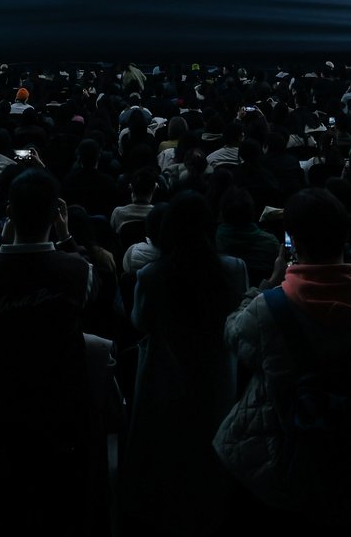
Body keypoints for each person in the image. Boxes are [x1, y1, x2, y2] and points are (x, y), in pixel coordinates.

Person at [214, 188, 351, 526]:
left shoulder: (267, 309)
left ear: (293, 244)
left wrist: (269, 282)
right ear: (346, 237)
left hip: (280, 469)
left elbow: (232, 335)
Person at [0, 169, 95, 535]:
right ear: (56, 214)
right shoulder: (76, 269)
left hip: (1, 407)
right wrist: (67, 237)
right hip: (61, 406)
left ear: (9, 212)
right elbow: (92, 290)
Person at [121, 192, 248, 535]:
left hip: (165, 376)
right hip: (217, 376)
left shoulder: (151, 274)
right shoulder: (233, 269)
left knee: (166, 452)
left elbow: (140, 321)